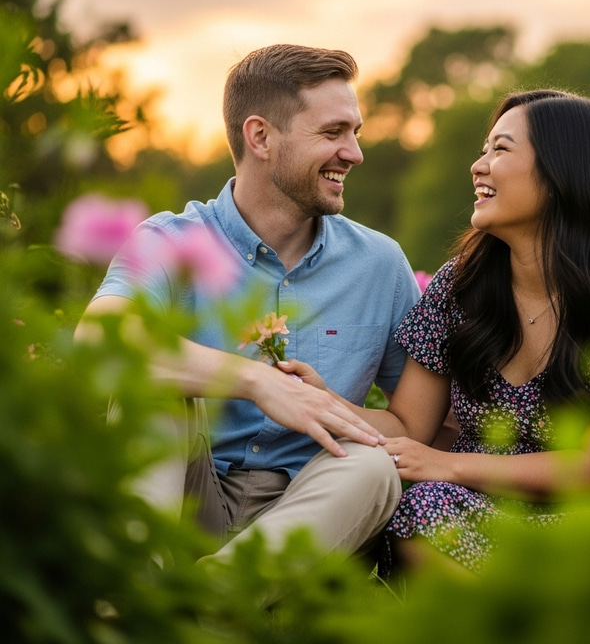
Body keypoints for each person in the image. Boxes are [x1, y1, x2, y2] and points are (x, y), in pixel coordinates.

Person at [287, 89, 590, 571]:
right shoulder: (458, 288)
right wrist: (324, 403)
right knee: (417, 509)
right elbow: (409, 428)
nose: (478, 166)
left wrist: (447, 465)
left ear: (562, 173)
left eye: (500, 150)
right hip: (475, 512)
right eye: (484, 149)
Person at [75, 44, 420, 563]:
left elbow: (416, 429)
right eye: (333, 132)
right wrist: (257, 382)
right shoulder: (170, 241)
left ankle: (199, 602)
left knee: (373, 467)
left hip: (309, 512)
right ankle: (150, 582)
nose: (354, 153)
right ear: (260, 137)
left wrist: (328, 406)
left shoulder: (381, 264)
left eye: (355, 132)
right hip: (186, 502)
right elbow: (99, 342)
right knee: (155, 388)